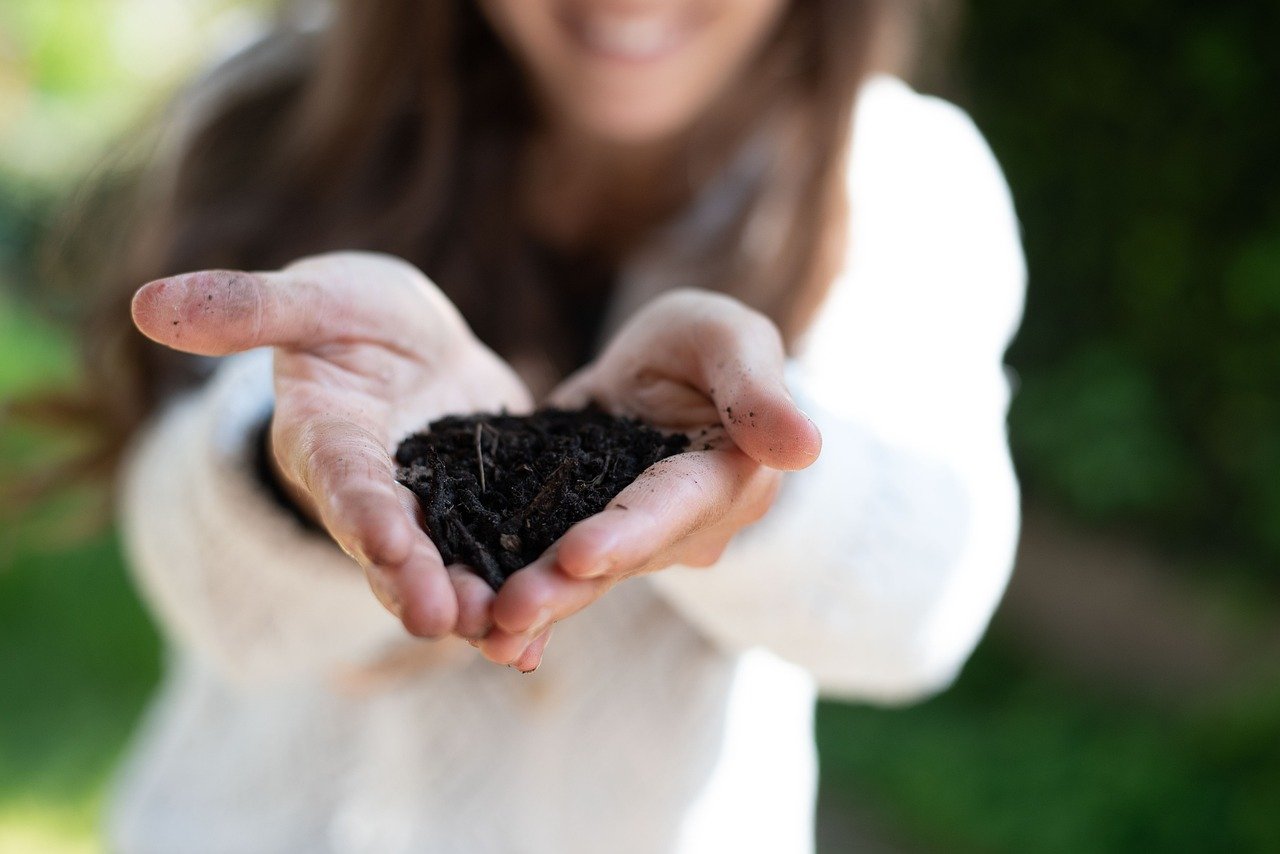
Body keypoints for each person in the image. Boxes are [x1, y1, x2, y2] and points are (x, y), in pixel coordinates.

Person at [66, 1, 1025, 851]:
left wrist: (765, 480)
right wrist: (288, 476)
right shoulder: (279, 108)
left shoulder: (903, 180)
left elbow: (922, 605)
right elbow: (203, 595)